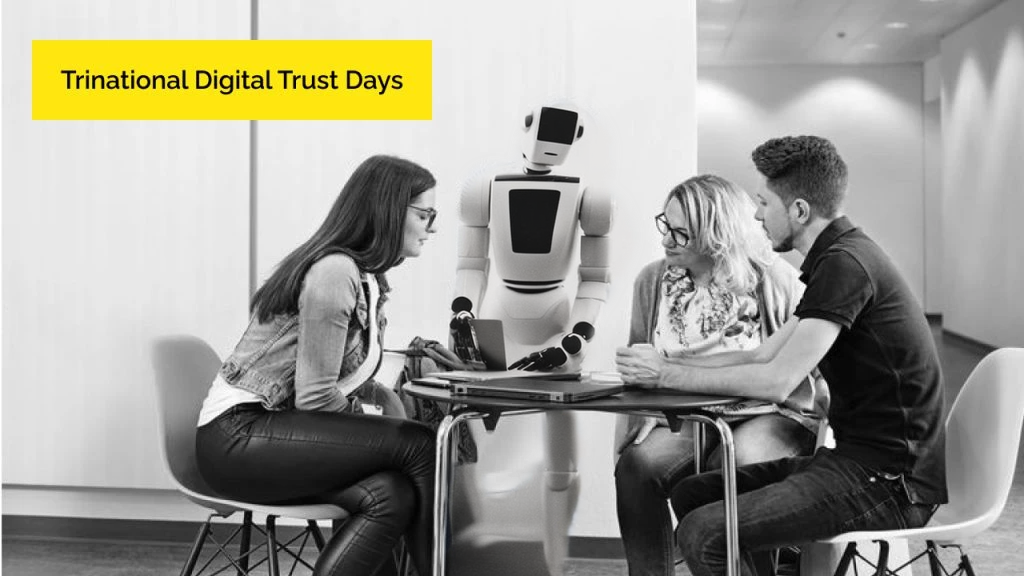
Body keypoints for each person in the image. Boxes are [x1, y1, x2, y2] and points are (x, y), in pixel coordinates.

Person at [616, 136, 947, 576]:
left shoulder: (846, 265)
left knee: (702, 532)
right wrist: (667, 368)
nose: (754, 215)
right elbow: (761, 355)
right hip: (858, 463)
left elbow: (776, 381)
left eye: (763, 203)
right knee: (692, 495)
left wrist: (664, 378)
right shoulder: (835, 258)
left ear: (799, 211)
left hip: (888, 482)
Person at [195, 154, 439, 576]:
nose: (432, 227)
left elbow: (343, 386)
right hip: (237, 438)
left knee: (391, 493)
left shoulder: (366, 277)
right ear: (389, 211)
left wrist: (377, 410)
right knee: (419, 444)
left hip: (272, 434)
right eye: (424, 214)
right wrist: (376, 424)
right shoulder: (335, 272)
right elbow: (315, 398)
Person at [613, 174, 826, 576]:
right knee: (636, 466)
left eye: (681, 234)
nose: (666, 241)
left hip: (768, 412)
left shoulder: (772, 279)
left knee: (738, 464)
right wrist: (638, 413)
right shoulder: (653, 281)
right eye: (666, 226)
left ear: (716, 235)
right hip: (687, 414)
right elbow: (641, 360)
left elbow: (806, 365)